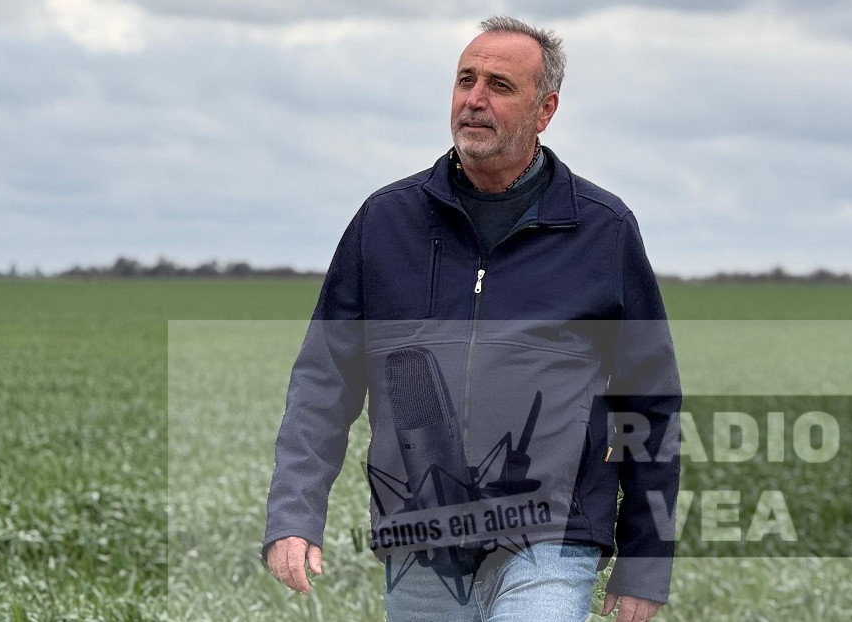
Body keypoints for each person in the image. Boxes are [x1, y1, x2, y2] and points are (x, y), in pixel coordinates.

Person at [263, 16, 681, 622]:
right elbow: (323, 383)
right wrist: (294, 515)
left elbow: (650, 403)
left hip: (553, 536)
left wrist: (645, 559)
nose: (475, 99)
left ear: (545, 110)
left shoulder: (603, 231)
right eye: (466, 80)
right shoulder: (385, 222)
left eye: (500, 86)